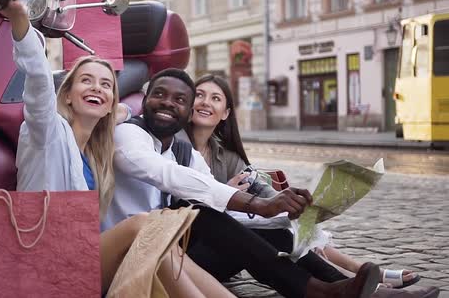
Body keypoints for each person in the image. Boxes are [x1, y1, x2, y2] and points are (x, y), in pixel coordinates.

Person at [0, 0, 237, 297]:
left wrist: (120, 110)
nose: (97, 88)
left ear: (110, 103)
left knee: (164, 250)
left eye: (106, 85)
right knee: (145, 226)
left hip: (85, 263)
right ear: (67, 95)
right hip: (43, 262)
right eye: (86, 81)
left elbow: (120, 111)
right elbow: (36, 80)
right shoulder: (45, 133)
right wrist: (20, 18)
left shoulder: (97, 153)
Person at [104, 68, 382, 298]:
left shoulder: (184, 151)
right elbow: (167, 175)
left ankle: (338, 288)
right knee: (195, 208)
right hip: (126, 260)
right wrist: (260, 205)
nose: (167, 102)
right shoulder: (128, 133)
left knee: (267, 231)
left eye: (179, 99)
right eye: (159, 95)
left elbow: (224, 209)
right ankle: (318, 291)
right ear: (145, 99)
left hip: (174, 258)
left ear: (188, 111)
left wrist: (289, 213)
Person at [185, 74, 437, 298]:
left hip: (227, 248)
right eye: (199, 95)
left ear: (226, 112)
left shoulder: (227, 156)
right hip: (188, 257)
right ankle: (354, 289)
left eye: (215, 98)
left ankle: (363, 291)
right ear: (188, 103)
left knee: (280, 231)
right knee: (261, 232)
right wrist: (226, 194)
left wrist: (298, 212)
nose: (206, 102)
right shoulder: (176, 146)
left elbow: (269, 194)